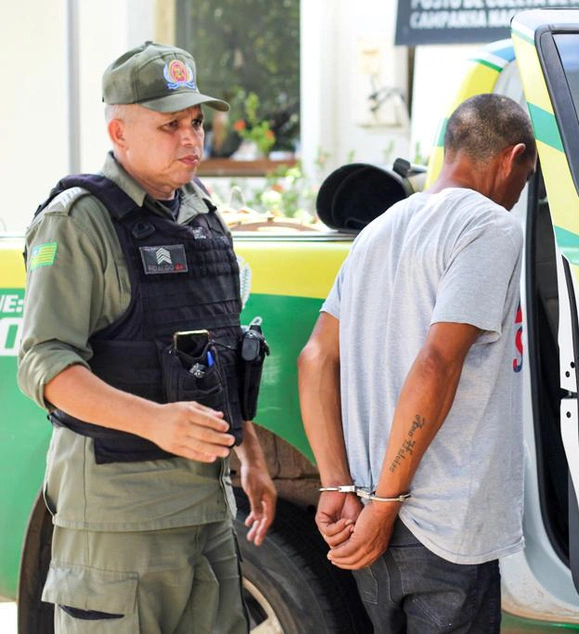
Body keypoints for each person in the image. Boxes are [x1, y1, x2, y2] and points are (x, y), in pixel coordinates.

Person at [18, 42, 276, 633]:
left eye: (196, 123)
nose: (191, 139)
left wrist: (249, 454)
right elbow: (44, 364)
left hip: (205, 513)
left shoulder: (199, 212)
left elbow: (218, 347)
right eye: (170, 125)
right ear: (120, 130)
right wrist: (153, 420)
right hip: (118, 527)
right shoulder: (78, 221)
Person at [298, 93, 536, 633]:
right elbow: (436, 364)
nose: (520, 193)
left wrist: (339, 489)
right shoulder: (489, 227)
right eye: (526, 176)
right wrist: (385, 505)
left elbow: (315, 358)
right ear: (511, 158)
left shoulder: (378, 230)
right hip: (444, 527)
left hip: (366, 523)